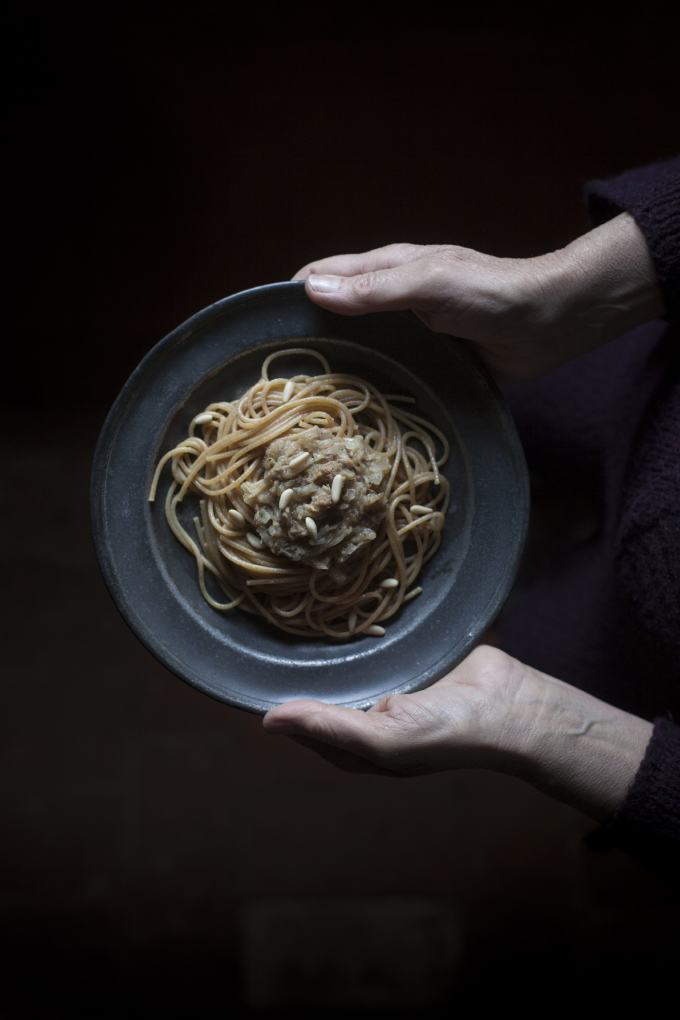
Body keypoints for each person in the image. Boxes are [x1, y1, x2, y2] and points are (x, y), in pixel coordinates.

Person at [263, 157, 680, 877]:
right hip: (640, 377)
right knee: (482, 416)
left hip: (647, 650)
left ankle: (534, 567)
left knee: (525, 622)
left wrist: (536, 719)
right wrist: (585, 288)